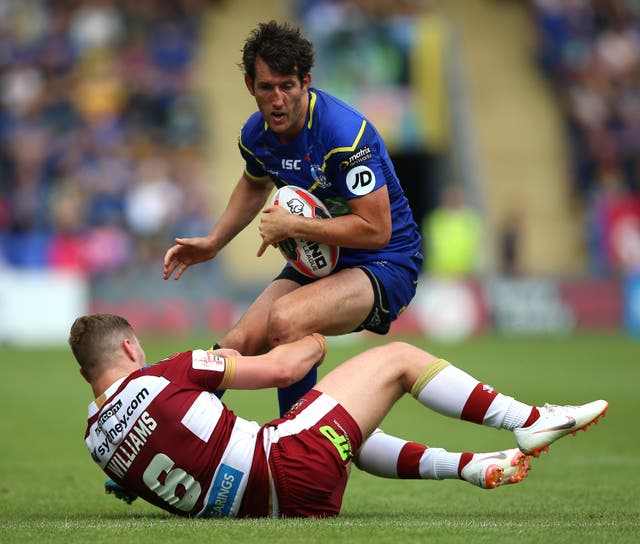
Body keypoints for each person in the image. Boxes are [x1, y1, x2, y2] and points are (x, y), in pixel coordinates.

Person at [71, 313, 608, 518]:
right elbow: (284, 369)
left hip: (275, 509)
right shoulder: (169, 371)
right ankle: (527, 418)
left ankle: (466, 465)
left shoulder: (97, 444)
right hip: (287, 464)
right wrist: (312, 334)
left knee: (339, 426)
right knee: (397, 359)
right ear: (130, 348)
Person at [162, 20, 423, 417]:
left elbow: (376, 230)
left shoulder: (344, 136)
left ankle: (298, 444)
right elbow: (253, 185)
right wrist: (214, 242)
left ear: (306, 82)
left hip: (386, 264)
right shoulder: (256, 135)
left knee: (287, 320)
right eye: (267, 88)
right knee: (236, 344)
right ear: (250, 85)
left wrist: (294, 226)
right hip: (325, 259)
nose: (278, 99)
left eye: (287, 86)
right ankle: (171, 434)